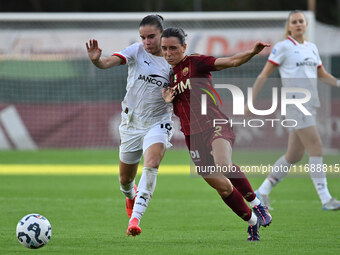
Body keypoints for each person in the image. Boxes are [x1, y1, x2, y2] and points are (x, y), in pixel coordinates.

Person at [161, 27, 272, 241]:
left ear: (184, 47)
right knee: (222, 187)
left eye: (173, 48)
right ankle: (252, 221)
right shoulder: (168, 77)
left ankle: (257, 205)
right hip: (192, 136)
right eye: (164, 49)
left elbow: (230, 61)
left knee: (223, 164)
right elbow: (171, 105)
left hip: (215, 124)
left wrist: (251, 52)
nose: (168, 53)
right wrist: (167, 101)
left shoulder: (196, 63)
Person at [86, 15, 174, 236]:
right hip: (132, 123)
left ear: (162, 33)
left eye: (151, 36)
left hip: (159, 121)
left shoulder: (174, 61)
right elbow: (106, 63)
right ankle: (130, 196)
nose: (146, 41)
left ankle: (135, 219)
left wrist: (172, 99)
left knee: (152, 163)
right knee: (125, 180)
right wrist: (97, 60)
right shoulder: (136, 50)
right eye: (143, 37)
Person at [245, 10, 340, 211]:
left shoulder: (311, 48)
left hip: (310, 104)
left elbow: (323, 74)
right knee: (316, 148)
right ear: (288, 26)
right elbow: (264, 75)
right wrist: (250, 101)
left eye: (301, 21)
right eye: (294, 22)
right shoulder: (283, 47)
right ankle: (326, 199)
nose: (298, 24)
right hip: (296, 104)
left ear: (306, 25)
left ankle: (261, 192)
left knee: (294, 155)